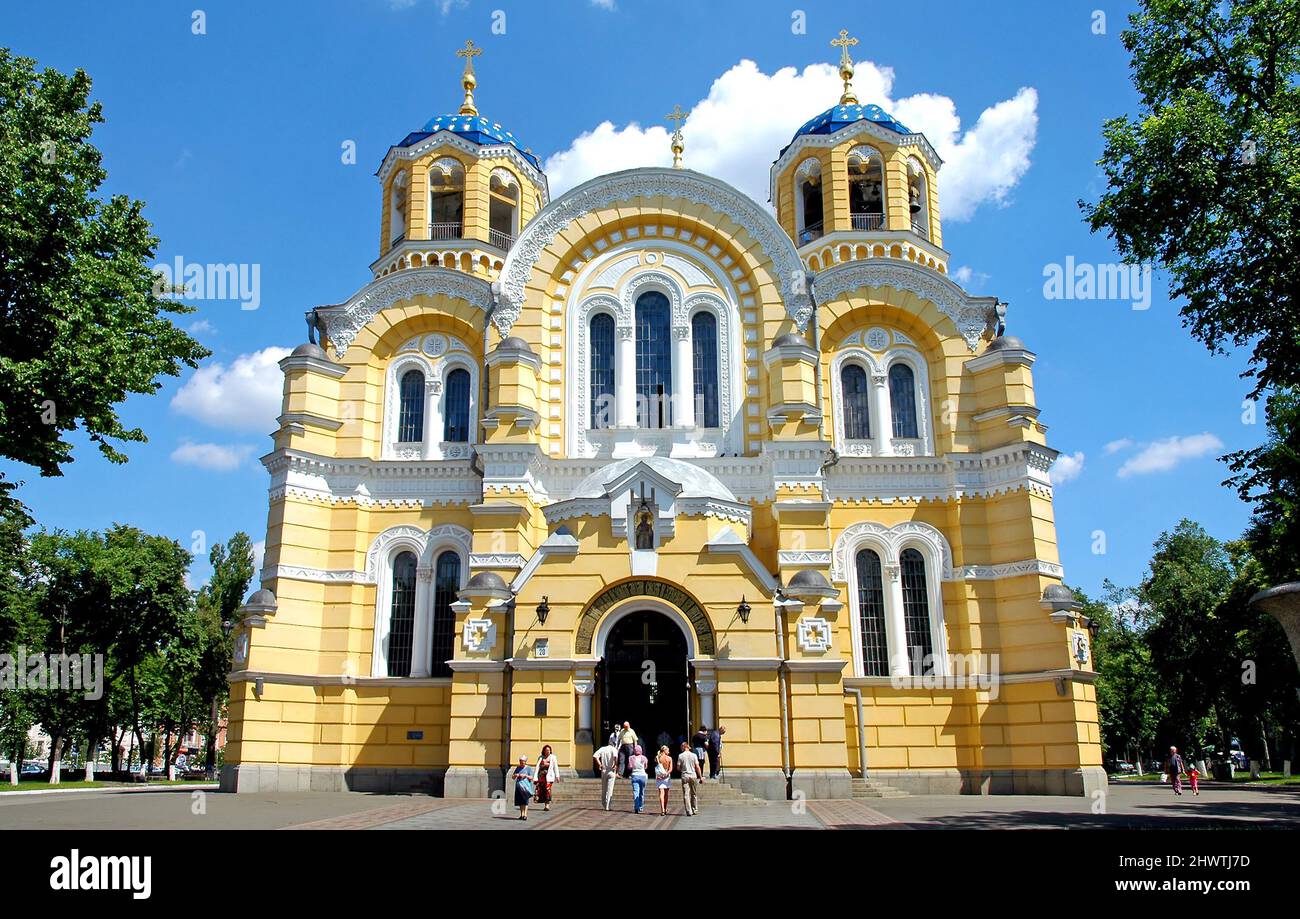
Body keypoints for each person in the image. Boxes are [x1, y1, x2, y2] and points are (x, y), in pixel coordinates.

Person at [593, 739, 620, 811]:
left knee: (604, 789)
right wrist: (615, 764)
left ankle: (604, 804)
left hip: (604, 770)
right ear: (614, 744)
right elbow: (615, 757)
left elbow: (595, 756)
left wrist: (600, 764)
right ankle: (608, 806)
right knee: (610, 789)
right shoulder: (614, 749)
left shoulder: (602, 748)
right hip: (611, 770)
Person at [677, 741, 703, 816]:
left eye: (681, 747)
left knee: (686, 794)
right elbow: (697, 767)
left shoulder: (680, 756)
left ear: (684, 747)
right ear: (688, 747)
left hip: (685, 776)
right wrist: (700, 777)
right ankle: (694, 809)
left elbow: (678, 767)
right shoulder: (694, 755)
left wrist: (682, 769)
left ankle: (689, 811)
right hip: (693, 775)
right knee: (694, 793)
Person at [511, 755, 536, 820]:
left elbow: (531, 778)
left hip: (525, 787)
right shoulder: (518, 768)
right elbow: (513, 777)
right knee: (520, 801)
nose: (521, 763)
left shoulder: (528, 768)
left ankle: (525, 815)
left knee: (525, 800)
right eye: (520, 762)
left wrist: (525, 776)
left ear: (525, 762)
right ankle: (521, 814)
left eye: (522, 762)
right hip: (519, 786)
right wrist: (516, 775)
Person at [535, 744, 558, 811]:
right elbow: (537, 767)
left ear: (550, 751)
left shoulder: (553, 757)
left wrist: (557, 776)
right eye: (546, 750)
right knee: (543, 790)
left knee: (548, 789)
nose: (547, 751)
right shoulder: (541, 757)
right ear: (544, 751)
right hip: (541, 776)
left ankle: (547, 805)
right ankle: (544, 803)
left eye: (548, 750)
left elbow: (555, 767)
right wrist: (535, 777)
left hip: (549, 776)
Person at [628, 744, 649, 814]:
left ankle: (636, 807)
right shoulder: (644, 758)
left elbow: (629, 767)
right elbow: (646, 767)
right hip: (643, 776)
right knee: (641, 792)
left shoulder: (631, 758)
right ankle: (640, 806)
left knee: (635, 792)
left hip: (634, 776)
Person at [655, 745, 674, 816]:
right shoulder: (669, 758)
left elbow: (657, 767)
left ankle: (662, 809)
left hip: (659, 776)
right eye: (668, 750)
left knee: (661, 793)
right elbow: (671, 769)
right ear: (664, 751)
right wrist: (666, 774)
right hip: (666, 776)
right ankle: (665, 808)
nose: (668, 752)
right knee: (666, 794)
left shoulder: (657, 757)